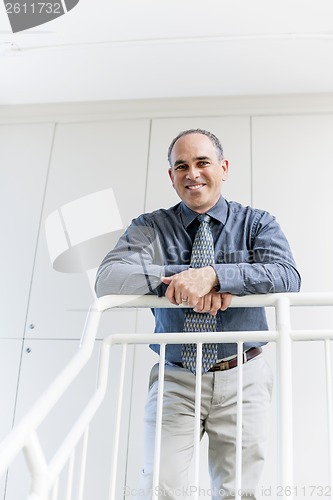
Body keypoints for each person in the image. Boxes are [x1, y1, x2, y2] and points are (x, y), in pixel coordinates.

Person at [95, 129, 301, 499]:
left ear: (222, 167)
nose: (193, 173)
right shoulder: (150, 227)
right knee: (159, 488)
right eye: (181, 166)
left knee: (238, 492)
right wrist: (179, 280)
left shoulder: (257, 223)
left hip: (243, 376)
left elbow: (287, 276)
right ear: (171, 177)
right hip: (176, 378)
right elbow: (108, 278)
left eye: (202, 162)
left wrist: (217, 276)